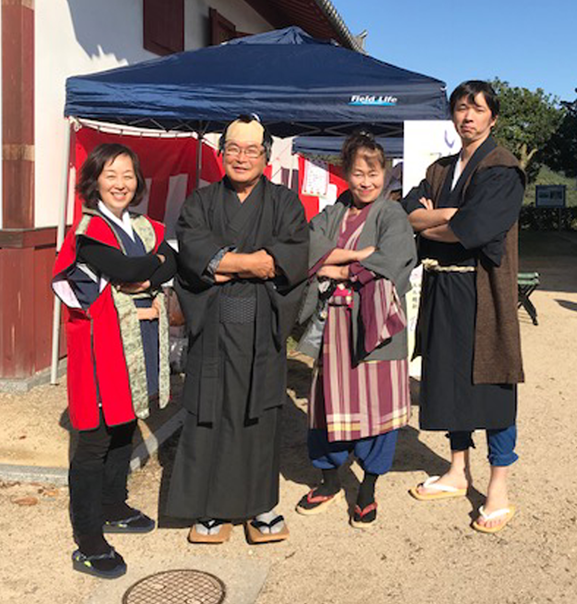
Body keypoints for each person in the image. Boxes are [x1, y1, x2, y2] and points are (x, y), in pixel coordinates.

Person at [166, 115, 309, 544]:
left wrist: (227, 265)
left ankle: (261, 506)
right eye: (233, 149)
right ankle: (210, 509)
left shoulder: (285, 202)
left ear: (266, 157)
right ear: (220, 153)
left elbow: (289, 257)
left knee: (260, 416)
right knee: (209, 413)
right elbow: (192, 251)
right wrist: (251, 263)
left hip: (262, 326)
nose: (241, 158)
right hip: (213, 325)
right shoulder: (201, 201)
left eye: (251, 150)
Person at [402, 81, 525, 533]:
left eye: (477, 109)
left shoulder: (503, 168)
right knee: (450, 379)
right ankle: (457, 471)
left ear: (493, 117)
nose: (467, 116)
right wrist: (446, 217)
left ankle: (498, 488)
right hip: (443, 288)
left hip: (483, 291)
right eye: (460, 108)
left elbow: (476, 228)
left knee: (493, 384)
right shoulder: (440, 169)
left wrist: (436, 222)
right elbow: (408, 213)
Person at [52, 143, 177, 578]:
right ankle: (88, 540)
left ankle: (113, 506)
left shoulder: (142, 225)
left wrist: (145, 270)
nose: (121, 183)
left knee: (124, 425)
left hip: (135, 343)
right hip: (100, 347)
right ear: (94, 181)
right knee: (95, 438)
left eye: (128, 175)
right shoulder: (89, 230)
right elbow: (127, 270)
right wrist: (145, 270)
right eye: (111, 175)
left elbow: (169, 263)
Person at [296, 131, 417, 527]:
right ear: (345, 174)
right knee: (327, 404)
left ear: (385, 174)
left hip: (376, 326)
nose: (366, 182)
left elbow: (394, 259)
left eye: (374, 173)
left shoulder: (392, 214)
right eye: (358, 174)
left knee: (376, 407)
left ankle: (368, 487)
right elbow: (307, 246)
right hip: (334, 324)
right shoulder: (334, 212)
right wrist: (354, 256)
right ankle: (330, 479)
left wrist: (335, 267)